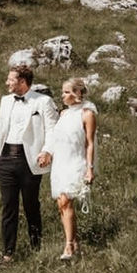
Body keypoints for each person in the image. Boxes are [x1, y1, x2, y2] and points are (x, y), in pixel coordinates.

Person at [0, 64, 59, 263]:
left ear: (22, 81)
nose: (7, 82)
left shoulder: (43, 102)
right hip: (5, 159)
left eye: (10, 79)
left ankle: (36, 247)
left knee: (31, 205)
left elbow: (52, 130)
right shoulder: (5, 101)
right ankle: (8, 253)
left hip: (30, 160)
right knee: (8, 206)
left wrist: (47, 151)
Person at [44, 77, 97, 261]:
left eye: (67, 92)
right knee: (61, 204)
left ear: (78, 93)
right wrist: (48, 153)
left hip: (76, 161)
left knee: (66, 201)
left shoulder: (87, 114)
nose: (63, 95)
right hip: (60, 163)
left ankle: (68, 246)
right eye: (63, 92)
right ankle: (75, 243)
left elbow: (90, 144)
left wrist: (89, 169)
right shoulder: (64, 115)